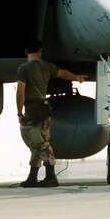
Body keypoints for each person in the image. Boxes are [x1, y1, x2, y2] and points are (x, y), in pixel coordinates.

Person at [16, 38, 87, 188]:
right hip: (43, 108)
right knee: (36, 145)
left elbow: (20, 93)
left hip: (33, 109)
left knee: (41, 144)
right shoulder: (47, 66)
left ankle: (51, 176)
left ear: (26, 52)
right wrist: (76, 77)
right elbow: (63, 74)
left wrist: (19, 113)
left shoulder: (24, 68)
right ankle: (32, 177)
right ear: (40, 51)